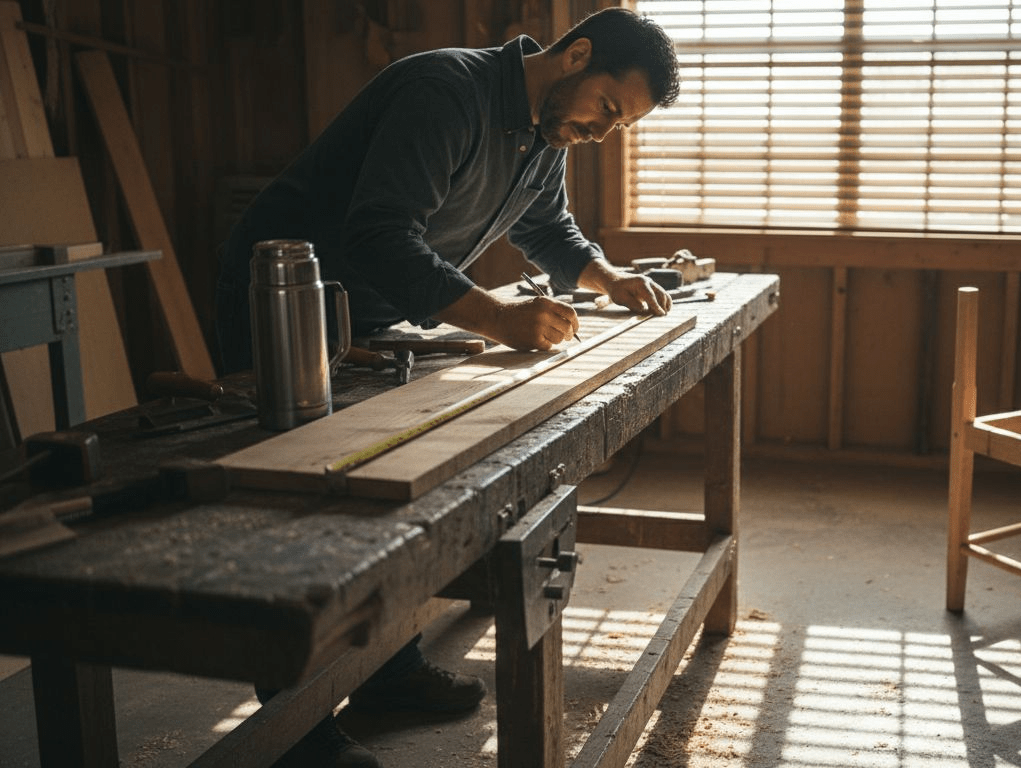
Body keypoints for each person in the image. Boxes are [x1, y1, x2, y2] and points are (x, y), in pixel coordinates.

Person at [214, 8, 680, 767]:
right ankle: (294, 732)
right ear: (577, 56)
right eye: (608, 109)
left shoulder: (543, 130)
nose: (601, 132)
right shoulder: (447, 90)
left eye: (618, 126)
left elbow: (548, 229)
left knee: (390, 498)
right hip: (285, 300)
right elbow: (380, 233)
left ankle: (388, 676)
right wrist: (497, 315)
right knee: (294, 511)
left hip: (376, 309)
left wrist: (608, 276)